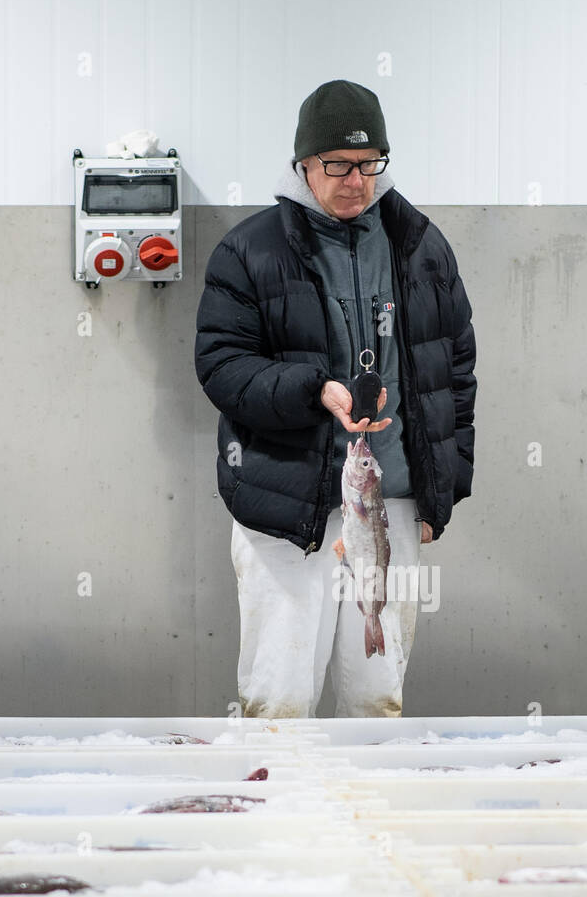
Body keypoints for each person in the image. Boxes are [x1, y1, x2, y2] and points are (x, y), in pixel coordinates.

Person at [194, 79, 476, 717]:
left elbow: (455, 373)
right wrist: (312, 388)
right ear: (303, 164)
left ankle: (367, 817)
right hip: (286, 511)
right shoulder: (249, 251)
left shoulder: (422, 248)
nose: (357, 181)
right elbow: (221, 366)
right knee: (279, 698)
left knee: (377, 698)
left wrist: (443, 489)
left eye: (370, 164)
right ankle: (274, 814)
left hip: (391, 508)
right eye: (339, 166)